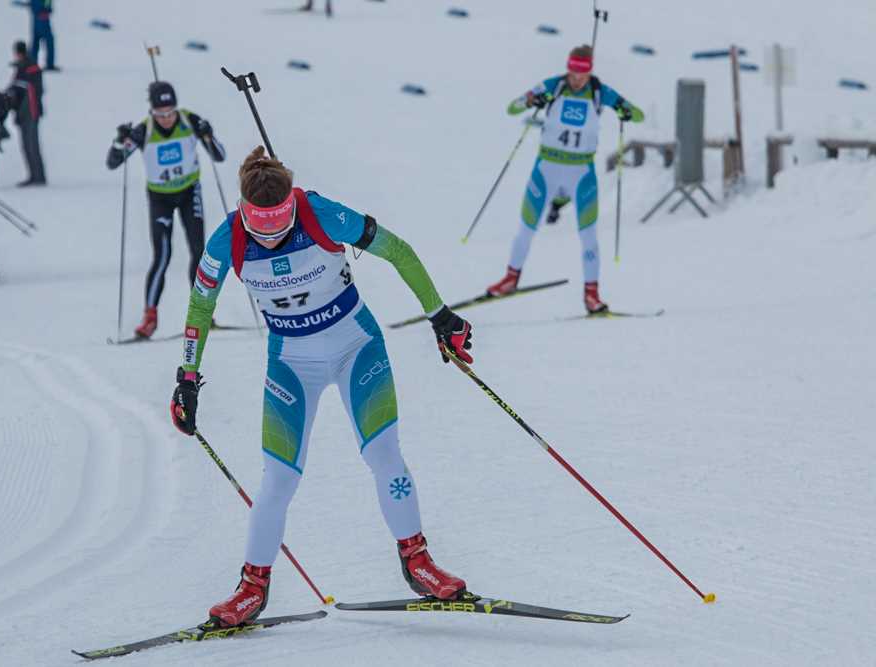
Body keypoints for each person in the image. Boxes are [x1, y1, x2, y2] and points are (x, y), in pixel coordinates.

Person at [169, 146, 475, 627]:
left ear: (291, 205)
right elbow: (199, 308)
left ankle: (418, 562)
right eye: (260, 230)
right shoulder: (226, 238)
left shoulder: (322, 214)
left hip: (357, 345)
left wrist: (441, 316)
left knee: (384, 454)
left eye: (279, 227)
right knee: (278, 479)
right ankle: (252, 588)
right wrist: (186, 378)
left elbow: (398, 251)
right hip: (292, 363)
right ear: (245, 214)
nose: (269, 240)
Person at [486, 44, 644, 313]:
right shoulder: (553, 86)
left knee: (588, 235)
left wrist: (623, 109)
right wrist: (530, 101)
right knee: (526, 227)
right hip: (546, 167)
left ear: (589, 70)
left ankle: (592, 295)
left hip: (581, 172)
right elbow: (512, 108)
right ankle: (511, 278)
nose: (577, 77)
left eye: (582, 72)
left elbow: (638, 115)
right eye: (573, 70)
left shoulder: (598, 91)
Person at [106, 81, 226, 338]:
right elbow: (113, 163)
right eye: (161, 114)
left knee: (199, 253)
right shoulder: (143, 130)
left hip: (189, 192)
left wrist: (208, 133)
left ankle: (203, 313)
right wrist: (120, 142)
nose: (167, 118)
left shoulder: (189, 120)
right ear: (152, 112)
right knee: (162, 256)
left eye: (170, 112)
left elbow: (219, 156)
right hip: (160, 197)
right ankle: (149, 317)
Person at [6, 40, 46, 187]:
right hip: (27, 112)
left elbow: (25, 91)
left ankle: (37, 176)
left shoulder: (29, 69)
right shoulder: (27, 67)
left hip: (30, 112)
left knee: (31, 145)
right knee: (28, 145)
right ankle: (36, 175)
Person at [29, 0, 58, 72]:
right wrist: (46, 9)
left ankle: (32, 64)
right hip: (42, 17)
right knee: (49, 41)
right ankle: (49, 64)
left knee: (36, 41)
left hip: (38, 16)